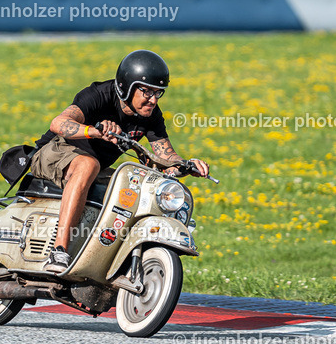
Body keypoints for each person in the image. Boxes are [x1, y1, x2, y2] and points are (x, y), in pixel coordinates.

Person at [29, 49, 210, 272]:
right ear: (127, 86)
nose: (153, 100)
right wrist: (95, 131)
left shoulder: (150, 114)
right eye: (146, 92)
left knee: (135, 186)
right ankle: (59, 252)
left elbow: (164, 155)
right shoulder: (98, 94)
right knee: (89, 164)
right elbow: (58, 123)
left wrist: (186, 164)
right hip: (53, 152)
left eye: (158, 93)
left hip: (92, 166)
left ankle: (107, 259)